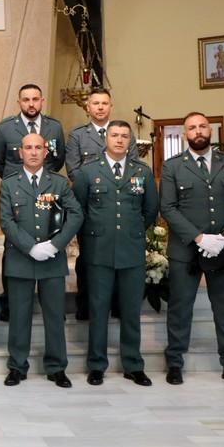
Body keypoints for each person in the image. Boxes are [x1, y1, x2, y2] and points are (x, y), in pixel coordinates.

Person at [73, 121, 158, 387]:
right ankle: (97, 365)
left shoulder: (141, 172)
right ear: (105, 139)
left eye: (124, 136)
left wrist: (131, 233)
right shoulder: (88, 172)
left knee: (131, 310)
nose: (119, 140)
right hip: (98, 251)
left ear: (130, 141)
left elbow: (150, 210)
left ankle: (133, 364)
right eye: (114, 135)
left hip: (131, 251)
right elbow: (79, 210)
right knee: (98, 310)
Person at [0, 133, 82, 388]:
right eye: (28, 147)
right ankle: (17, 367)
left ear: (46, 152)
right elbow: (6, 221)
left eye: (38, 147)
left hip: (52, 260)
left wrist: (55, 245)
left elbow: (76, 215)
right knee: (19, 316)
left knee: (55, 316)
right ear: (20, 152)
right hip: (20, 260)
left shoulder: (58, 183)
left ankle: (57, 367)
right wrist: (30, 247)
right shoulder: (9, 184)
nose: (33, 152)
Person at [160, 112, 224, 385]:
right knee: (180, 307)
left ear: (210, 130)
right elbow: (167, 207)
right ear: (184, 134)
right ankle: (175, 363)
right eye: (192, 128)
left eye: (202, 126)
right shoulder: (173, 166)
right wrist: (200, 238)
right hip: (185, 251)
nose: (198, 131)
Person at [0, 84, 66, 321]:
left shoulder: (54, 127)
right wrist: (17, 185)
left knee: (48, 242)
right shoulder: (5, 128)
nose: (31, 104)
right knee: (14, 248)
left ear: (42, 101)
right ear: (19, 102)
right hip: (18, 196)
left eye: (35, 99)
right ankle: (9, 305)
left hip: (47, 193)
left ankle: (51, 305)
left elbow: (59, 158)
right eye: (26, 99)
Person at [65, 88, 137, 320]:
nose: (100, 107)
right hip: (90, 205)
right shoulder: (78, 135)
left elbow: (133, 165)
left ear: (111, 106)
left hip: (120, 203)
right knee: (88, 258)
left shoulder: (125, 133)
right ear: (88, 107)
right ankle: (85, 305)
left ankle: (117, 305)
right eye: (95, 103)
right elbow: (74, 169)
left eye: (104, 103)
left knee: (119, 260)